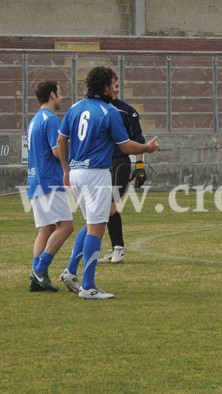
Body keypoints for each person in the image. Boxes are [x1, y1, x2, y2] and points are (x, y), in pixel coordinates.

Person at [57, 66, 159, 299]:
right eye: (112, 83)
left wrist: (65, 168)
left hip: (76, 172)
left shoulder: (74, 108)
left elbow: (62, 139)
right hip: (96, 173)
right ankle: (88, 286)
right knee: (97, 227)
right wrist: (147, 149)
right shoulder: (108, 111)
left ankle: (71, 272)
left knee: (91, 222)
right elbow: (126, 146)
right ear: (104, 87)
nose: (115, 88)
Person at [26, 80, 75, 292]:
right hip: (49, 181)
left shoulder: (34, 120)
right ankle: (39, 269)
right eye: (60, 93)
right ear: (52, 94)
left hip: (35, 180)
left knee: (45, 229)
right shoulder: (51, 120)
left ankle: (37, 277)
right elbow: (57, 150)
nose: (62, 97)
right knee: (66, 226)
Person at [98, 76, 146, 264]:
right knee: (103, 207)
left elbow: (139, 139)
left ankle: (119, 248)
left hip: (120, 162)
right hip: (101, 163)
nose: (116, 89)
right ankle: (114, 248)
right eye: (113, 86)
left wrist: (140, 165)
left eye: (118, 86)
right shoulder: (95, 109)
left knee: (110, 204)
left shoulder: (126, 111)